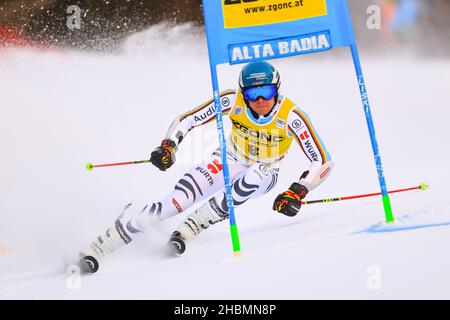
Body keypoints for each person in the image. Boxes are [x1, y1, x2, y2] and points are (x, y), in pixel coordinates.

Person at [79, 60, 334, 274]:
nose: (259, 100)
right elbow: (188, 119)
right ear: (242, 92)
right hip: (228, 159)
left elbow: (322, 160)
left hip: (266, 170)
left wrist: (298, 191)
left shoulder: (291, 115)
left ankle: (192, 227)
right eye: (251, 94)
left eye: (266, 92)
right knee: (175, 203)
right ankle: (102, 245)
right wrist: (169, 146)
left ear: (276, 90)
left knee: (257, 175)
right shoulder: (231, 101)